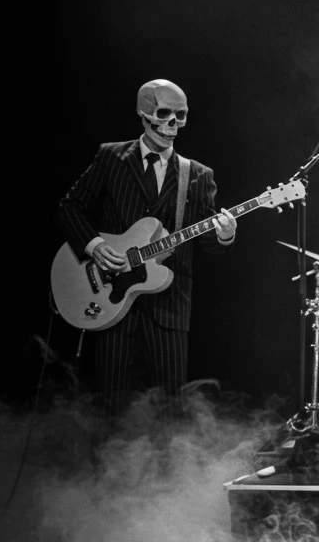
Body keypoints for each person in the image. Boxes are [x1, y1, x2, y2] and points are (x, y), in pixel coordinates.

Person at [57, 79, 237, 416]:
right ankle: (104, 470)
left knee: (172, 410)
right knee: (107, 406)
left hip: (170, 306)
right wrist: (95, 246)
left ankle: (167, 470)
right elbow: (69, 207)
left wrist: (225, 235)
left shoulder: (197, 175)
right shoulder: (110, 157)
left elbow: (208, 241)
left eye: (180, 117)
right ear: (144, 114)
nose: (173, 126)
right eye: (165, 114)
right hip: (109, 297)